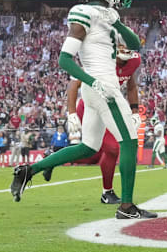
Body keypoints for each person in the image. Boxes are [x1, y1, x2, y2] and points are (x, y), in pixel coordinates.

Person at [9, 0, 156, 219]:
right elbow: (64, 59)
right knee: (129, 141)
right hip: (102, 86)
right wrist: (93, 81)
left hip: (97, 88)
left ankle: (29, 170)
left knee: (89, 146)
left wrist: (117, 21)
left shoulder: (105, 15)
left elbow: (134, 46)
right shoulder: (83, 12)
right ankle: (127, 206)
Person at [54, 41, 142, 204]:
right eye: (119, 46)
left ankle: (52, 159)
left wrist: (135, 111)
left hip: (108, 104)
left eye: (126, 46)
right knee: (111, 148)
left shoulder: (134, 60)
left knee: (96, 151)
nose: (123, 50)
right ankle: (107, 192)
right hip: (90, 104)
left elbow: (131, 86)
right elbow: (74, 83)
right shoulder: (101, 59)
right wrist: (71, 112)